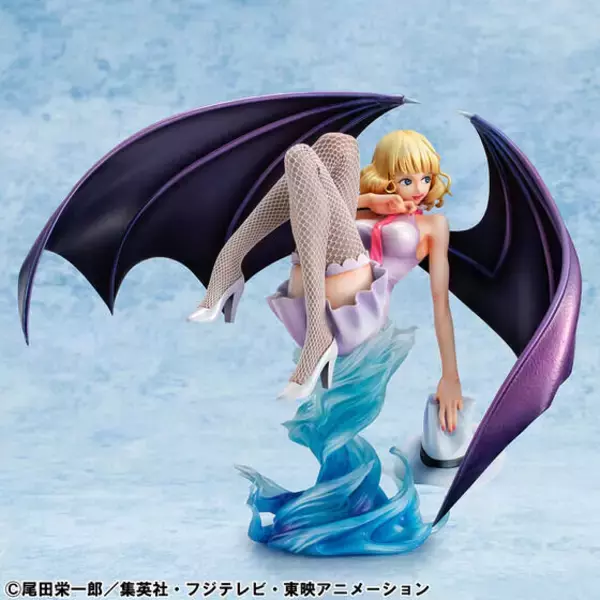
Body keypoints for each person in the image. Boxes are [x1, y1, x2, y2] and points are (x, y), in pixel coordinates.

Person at [188, 130, 463, 432]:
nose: (419, 188)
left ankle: (229, 260)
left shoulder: (433, 225)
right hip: (307, 298)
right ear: (386, 177)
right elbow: (312, 202)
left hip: (356, 312)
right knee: (339, 145)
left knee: (301, 156)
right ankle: (233, 263)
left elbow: (441, 304)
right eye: (406, 180)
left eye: (426, 178)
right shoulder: (366, 207)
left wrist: (450, 377)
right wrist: (369, 201)